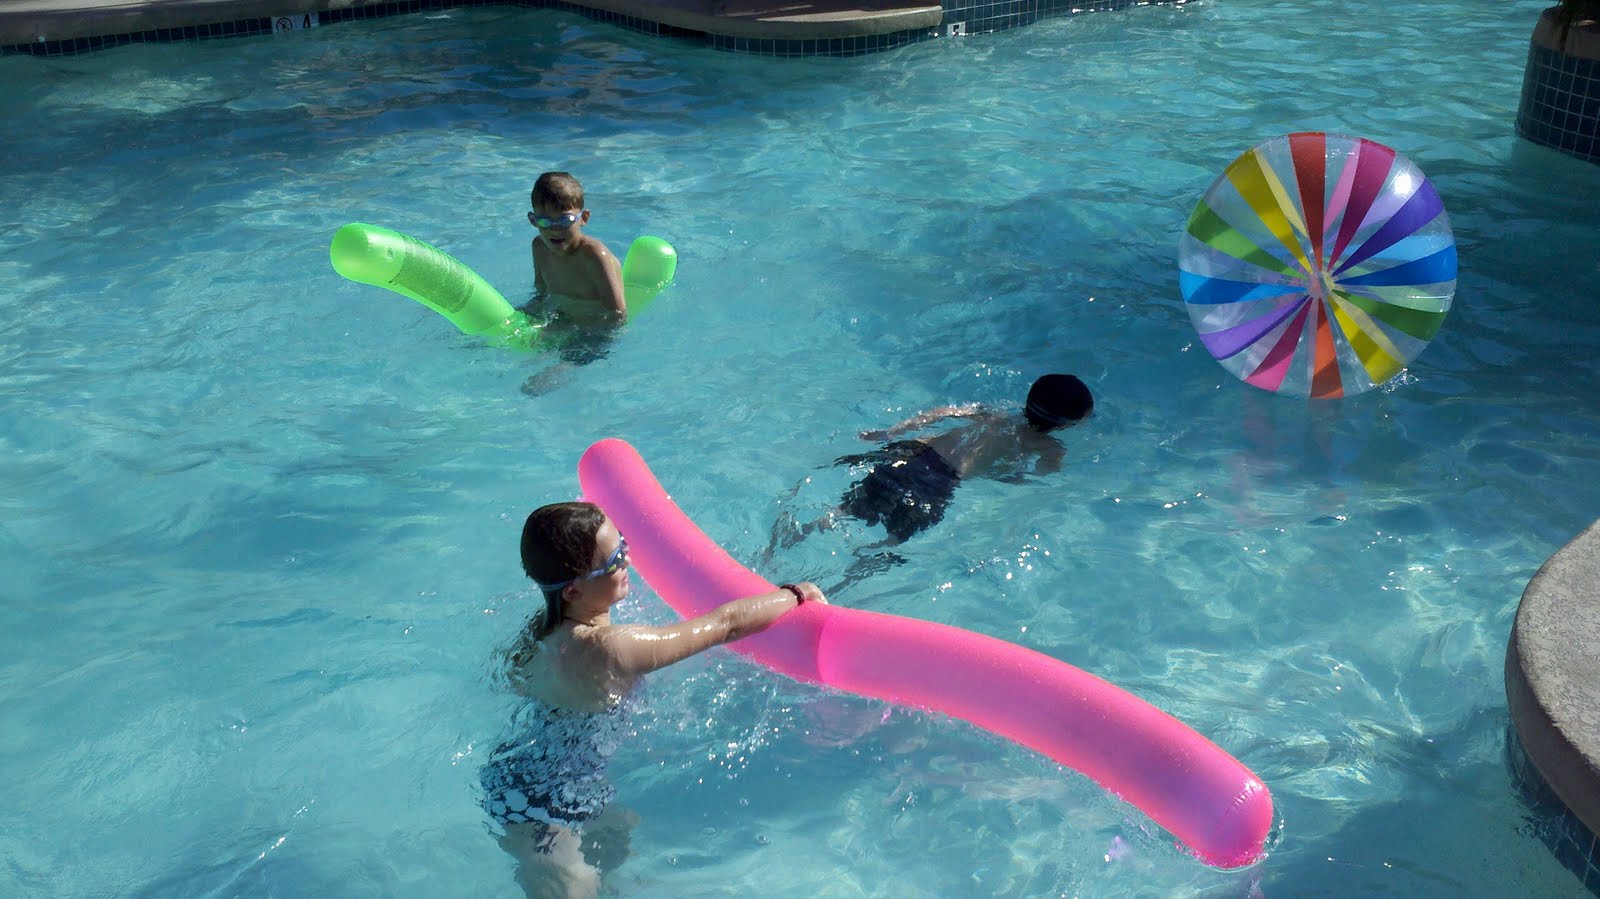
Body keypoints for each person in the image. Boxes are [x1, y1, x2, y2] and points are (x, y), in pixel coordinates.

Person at [481, 501, 826, 899]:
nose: (628, 558)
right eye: (613, 560)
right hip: (547, 807)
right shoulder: (612, 648)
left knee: (620, 839)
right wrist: (794, 595)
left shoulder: (538, 628)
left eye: (623, 545)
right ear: (574, 589)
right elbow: (723, 625)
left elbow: (515, 679)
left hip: (518, 773)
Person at [833, 373, 1094, 545]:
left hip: (914, 450)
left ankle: (807, 529)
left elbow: (941, 412)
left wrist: (889, 432)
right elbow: (1042, 475)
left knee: (845, 509)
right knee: (893, 540)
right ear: (1064, 426)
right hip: (937, 481)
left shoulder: (996, 414)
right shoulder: (1048, 446)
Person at [519, 173, 628, 395]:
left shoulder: (595, 256)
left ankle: (565, 368)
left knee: (566, 362)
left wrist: (584, 335)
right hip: (564, 318)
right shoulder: (539, 247)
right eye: (544, 221)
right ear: (533, 220)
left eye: (564, 220)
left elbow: (617, 314)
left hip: (596, 330)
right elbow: (541, 293)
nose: (554, 229)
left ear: (584, 217)